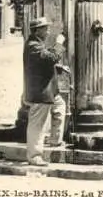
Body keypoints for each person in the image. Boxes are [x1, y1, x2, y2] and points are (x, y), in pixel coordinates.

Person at [24, 17, 69, 166]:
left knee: (60, 107)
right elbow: (50, 57)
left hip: (48, 90)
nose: (48, 31)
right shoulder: (33, 45)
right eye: (45, 28)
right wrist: (59, 43)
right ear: (37, 31)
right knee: (37, 125)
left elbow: (43, 61)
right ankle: (34, 156)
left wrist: (58, 68)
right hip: (40, 92)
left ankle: (55, 141)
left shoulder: (37, 44)